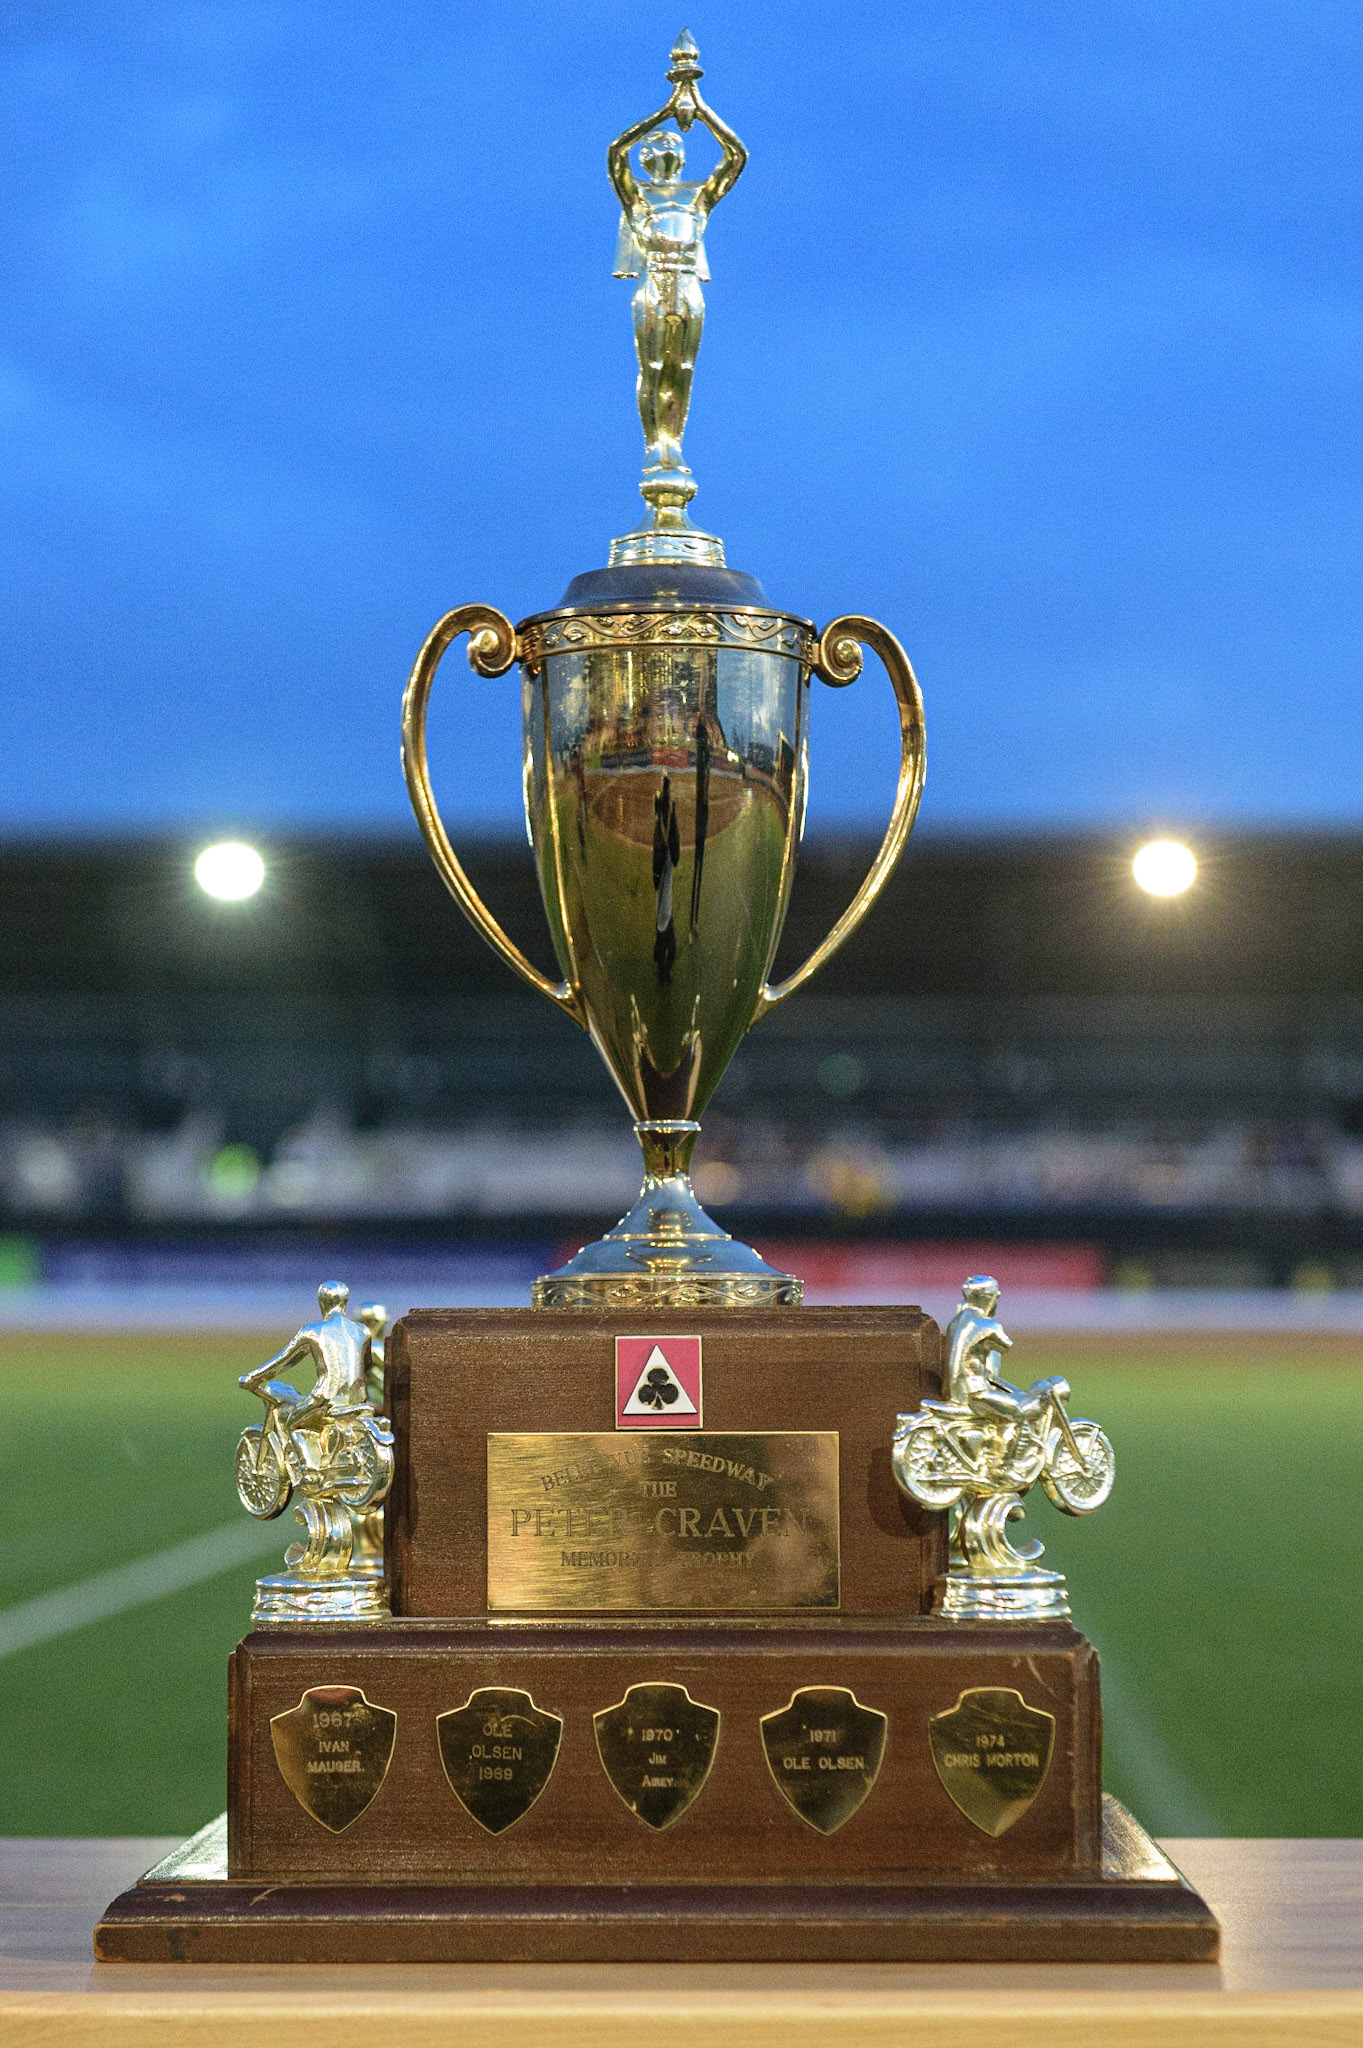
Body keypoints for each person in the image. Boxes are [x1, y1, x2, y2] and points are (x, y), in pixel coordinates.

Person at [608, 35, 746, 486]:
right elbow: (615, 153)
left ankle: (675, 442)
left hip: (686, 282)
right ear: (645, 158)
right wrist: (667, 109)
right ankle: (656, 445)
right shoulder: (638, 197)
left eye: (671, 143)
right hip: (653, 281)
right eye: (654, 145)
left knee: (682, 369)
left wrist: (699, 106)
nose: (663, 147)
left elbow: (736, 157)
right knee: (652, 368)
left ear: (683, 156)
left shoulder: (697, 197)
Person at [240, 1280, 372, 1432]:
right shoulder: (363, 1331)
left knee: (291, 1425)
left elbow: (283, 1362)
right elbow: (366, 1364)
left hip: (325, 1400)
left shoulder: (313, 1331)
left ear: (322, 1303)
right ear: (345, 1302)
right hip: (357, 1401)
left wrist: (254, 1377)